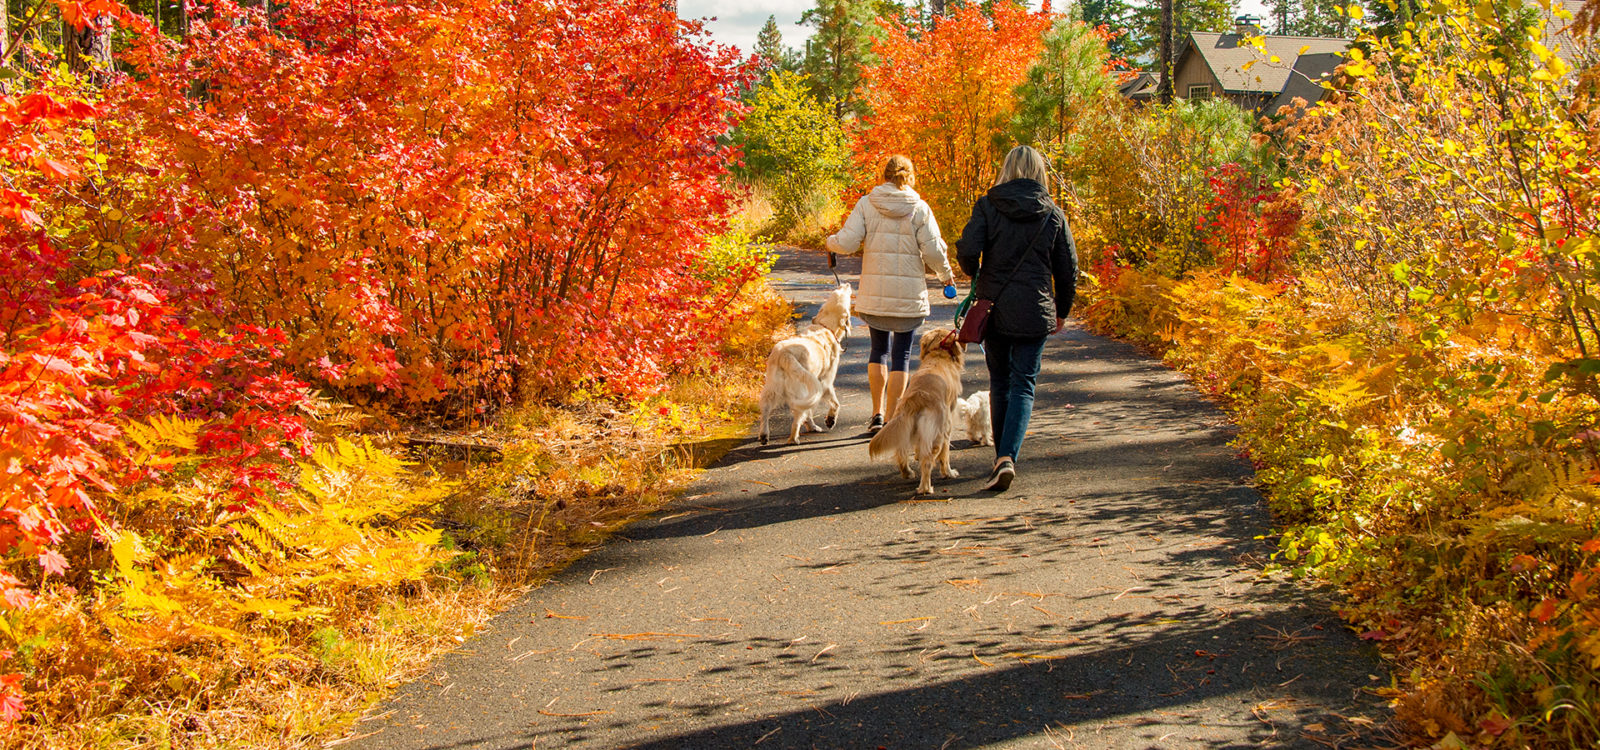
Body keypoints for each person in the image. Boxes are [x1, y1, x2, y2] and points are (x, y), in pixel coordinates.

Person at [955, 145, 1076, 491]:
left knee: (1001, 382)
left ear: (1006, 169)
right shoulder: (1053, 213)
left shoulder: (988, 205)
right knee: (1024, 383)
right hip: (1034, 310)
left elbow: (967, 249)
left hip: (994, 306)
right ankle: (1006, 457)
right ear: (1040, 172)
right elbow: (1068, 271)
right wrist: (1062, 311)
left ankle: (1001, 458)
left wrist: (974, 272)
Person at [827, 155, 955, 433]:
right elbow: (933, 250)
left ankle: (876, 414)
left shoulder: (866, 204)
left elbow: (847, 242)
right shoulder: (920, 208)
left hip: (875, 294)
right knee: (902, 355)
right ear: (910, 176)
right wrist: (946, 275)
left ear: (883, 176)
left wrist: (830, 243)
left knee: (878, 351)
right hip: (909, 296)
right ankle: (895, 417)